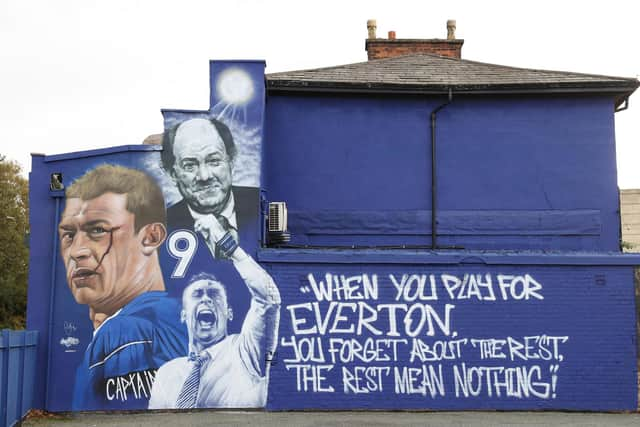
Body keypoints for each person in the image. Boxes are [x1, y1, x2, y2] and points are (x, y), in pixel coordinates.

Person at [57, 164, 188, 410]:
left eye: (98, 230)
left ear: (151, 237)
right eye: (68, 235)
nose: (76, 251)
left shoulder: (122, 333)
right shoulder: (181, 317)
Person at [148, 215, 280, 409]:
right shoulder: (167, 373)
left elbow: (269, 297)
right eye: (197, 294)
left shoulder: (245, 350)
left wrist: (228, 245)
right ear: (184, 315)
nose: (206, 299)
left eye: (214, 294)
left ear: (229, 313)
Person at [161, 117, 257, 251]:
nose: (204, 176)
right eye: (189, 166)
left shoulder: (262, 206)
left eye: (214, 161)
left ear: (232, 162)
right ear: (172, 174)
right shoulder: (161, 227)